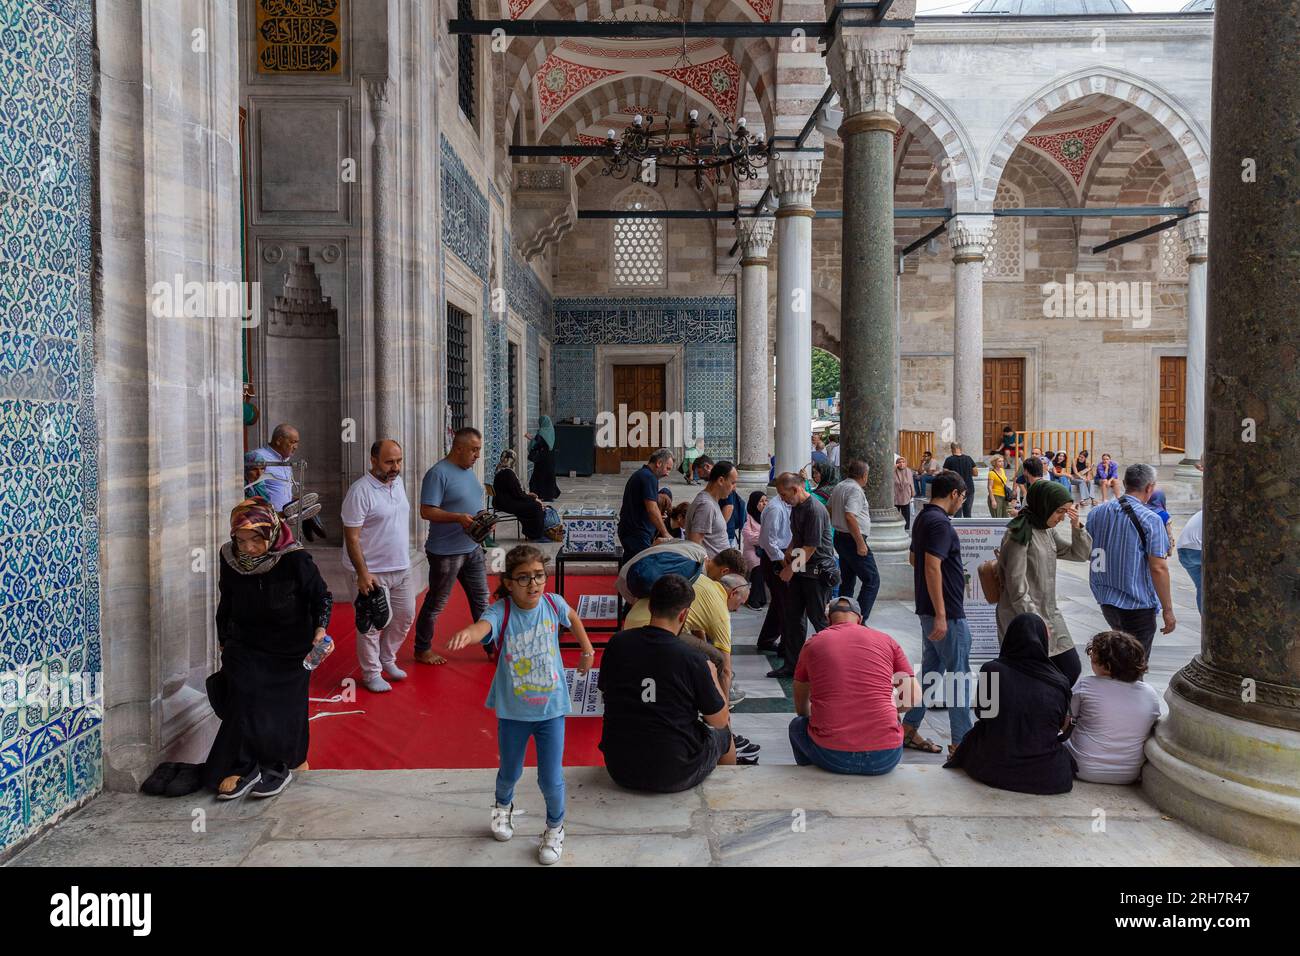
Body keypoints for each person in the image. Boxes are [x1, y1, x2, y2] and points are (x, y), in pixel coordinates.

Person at [444, 545, 594, 865]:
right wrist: (467, 635)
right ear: (509, 583)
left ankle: (555, 828)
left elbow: (573, 616)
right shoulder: (503, 611)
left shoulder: (553, 604)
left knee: (550, 778)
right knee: (510, 771)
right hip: (514, 712)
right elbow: (482, 627)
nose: (533, 584)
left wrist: (587, 649)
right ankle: (503, 806)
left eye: (539, 576)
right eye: (524, 578)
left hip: (551, 710)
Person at [206, 498, 331, 799]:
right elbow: (228, 598)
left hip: (291, 647)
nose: (247, 548)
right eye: (241, 540)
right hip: (247, 642)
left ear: (271, 534)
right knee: (245, 698)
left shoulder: (294, 559)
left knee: (287, 709)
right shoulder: (229, 556)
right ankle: (244, 766)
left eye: (255, 540)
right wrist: (224, 638)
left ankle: (286, 764)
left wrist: (320, 630)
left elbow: (320, 597)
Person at [599, 575, 746, 792]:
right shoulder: (693, 659)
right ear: (684, 614)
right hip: (674, 770)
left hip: (619, 766)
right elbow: (719, 720)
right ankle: (727, 797)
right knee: (724, 736)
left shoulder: (617, 643)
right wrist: (713, 677)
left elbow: (606, 691)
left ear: (649, 605)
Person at [789, 595, 921, 776]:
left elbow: (800, 698)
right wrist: (894, 711)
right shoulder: (887, 641)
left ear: (829, 620)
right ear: (859, 618)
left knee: (797, 725)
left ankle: (810, 778)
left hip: (832, 756)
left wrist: (811, 718)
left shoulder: (813, 643)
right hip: (885, 757)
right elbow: (912, 696)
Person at [944, 614, 1074, 794]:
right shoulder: (1060, 681)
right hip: (1048, 775)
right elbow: (1060, 724)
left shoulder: (992, 669)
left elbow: (983, 713)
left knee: (974, 736)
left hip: (993, 766)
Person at [619, 541, 750, 709]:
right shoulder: (721, 614)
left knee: (700, 651)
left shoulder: (698, 576)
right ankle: (712, 706)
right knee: (717, 660)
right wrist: (725, 719)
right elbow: (725, 669)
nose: (738, 610)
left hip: (635, 615)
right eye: (740, 603)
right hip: (656, 627)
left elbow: (698, 628)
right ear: (733, 593)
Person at [900, 471, 973, 756]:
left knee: (932, 673)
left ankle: (908, 728)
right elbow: (930, 565)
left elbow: (913, 558)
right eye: (962, 497)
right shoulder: (940, 523)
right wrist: (942, 613)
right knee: (959, 677)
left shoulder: (923, 517)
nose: (961, 502)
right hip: (947, 614)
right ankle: (961, 742)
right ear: (954, 493)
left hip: (928, 610)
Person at [995, 479, 1093, 686]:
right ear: (1044, 505)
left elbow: (1079, 554)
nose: (1062, 517)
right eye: (1059, 511)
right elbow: (1016, 585)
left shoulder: (1047, 529)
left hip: (1049, 612)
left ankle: (1052, 712)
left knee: (1070, 667)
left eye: (1066, 512)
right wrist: (1035, 623)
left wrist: (1078, 528)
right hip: (1023, 617)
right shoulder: (1019, 531)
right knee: (1032, 676)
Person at [341, 439, 417, 693]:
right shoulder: (359, 492)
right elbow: (351, 537)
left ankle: (388, 658)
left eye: (399, 461)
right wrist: (362, 573)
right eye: (389, 462)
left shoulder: (399, 483)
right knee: (371, 625)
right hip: (370, 571)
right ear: (373, 461)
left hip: (400, 566)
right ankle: (371, 672)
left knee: (405, 616)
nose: (395, 467)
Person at [413, 427, 491, 665]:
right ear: (458, 448)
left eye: (479, 450)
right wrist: (458, 517)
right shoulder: (437, 473)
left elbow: (471, 502)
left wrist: (483, 519)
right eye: (474, 450)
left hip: (472, 548)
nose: (477, 455)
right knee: (437, 603)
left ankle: (493, 648)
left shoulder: (468, 471)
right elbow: (426, 511)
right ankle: (422, 648)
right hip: (446, 552)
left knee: (482, 602)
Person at [1085, 463, 1175, 660]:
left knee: (1119, 660)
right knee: (1134, 666)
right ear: (1150, 487)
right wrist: (1168, 610)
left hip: (1106, 598)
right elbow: (1158, 567)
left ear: (1124, 483)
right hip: (1137, 604)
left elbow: (1088, 549)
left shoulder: (1096, 513)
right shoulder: (1150, 519)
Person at [1064, 630, 1161, 784]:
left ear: (1107, 666)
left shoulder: (1086, 685)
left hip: (1083, 767)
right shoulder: (1150, 693)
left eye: (1093, 657)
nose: (1090, 661)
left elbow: (1065, 725)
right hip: (1128, 774)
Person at [768, 471, 839, 679]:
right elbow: (797, 537)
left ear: (796, 489)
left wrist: (789, 569)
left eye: (783, 494)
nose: (782, 498)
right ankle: (793, 665)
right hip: (802, 569)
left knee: (819, 619)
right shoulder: (795, 508)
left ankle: (834, 664)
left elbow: (810, 547)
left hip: (817, 572)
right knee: (793, 618)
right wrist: (788, 551)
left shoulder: (814, 509)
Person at [829, 459, 880, 622]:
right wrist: (860, 543)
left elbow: (829, 508)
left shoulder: (840, 486)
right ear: (864, 475)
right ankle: (859, 620)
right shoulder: (855, 490)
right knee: (872, 580)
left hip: (841, 537)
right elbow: (850, 516)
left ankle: (842, 617)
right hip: (852, 539)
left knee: (848, 580)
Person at [617, 448, 674, 559]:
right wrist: (665, 532)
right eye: (667, 469)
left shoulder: (643, 475)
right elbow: (652, 509)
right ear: (658, 463)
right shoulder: (649, 477)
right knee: (639, 565)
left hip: (632, 531)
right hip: (637, 533)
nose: (668, 474)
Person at [756, 483, 792, 655]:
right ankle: (787, 646)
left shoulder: (790, 506)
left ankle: (767, 638)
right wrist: (785, 563)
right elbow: (769, 542)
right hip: (776, 558)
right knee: (786, 602)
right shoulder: (776, 509)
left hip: (787, 554)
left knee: (780, 601)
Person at [490, 449, 549, 542]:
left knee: (533, 504)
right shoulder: (508, 473)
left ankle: (531, 533)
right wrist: (532, 498)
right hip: (506, 503)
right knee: (536, 506)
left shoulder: (499, 469)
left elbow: (514, 492)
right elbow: (518, 494)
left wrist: (528, 496)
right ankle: (535, 535)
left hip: (501, 501)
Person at [686, 460, 738, 558]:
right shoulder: (706, 505)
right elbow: (695, 545)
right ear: (721, 481)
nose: (734, 488)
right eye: (732, 483)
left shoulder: (711, 501)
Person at [252, 423, 299, 511]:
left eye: (297, 442)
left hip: (284, 519)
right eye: (292, 442)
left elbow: (278, 490)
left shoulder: (286, 460)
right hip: (266, 519)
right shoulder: (258, 457)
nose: (296, 447)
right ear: (279, 440)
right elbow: (250, 491)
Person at [741, 491, 768, 609]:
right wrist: (762, 537)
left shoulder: (768, 517)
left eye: (765, 501)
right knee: (758, 567)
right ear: (754, 503)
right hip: (751, 550)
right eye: (761, 501)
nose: (764, 504)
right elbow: (748, 536)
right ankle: (753, 600)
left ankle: (761, 597)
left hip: (764, 551)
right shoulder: (749, 518)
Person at [524, 415, 561, 501]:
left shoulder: (541, 432)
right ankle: (550, 495)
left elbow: (536, 445)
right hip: (550, 459)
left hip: (542, 460)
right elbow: (545, 444)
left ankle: (537, 495)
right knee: (549, 477)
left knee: (537, 478)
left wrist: (530, 439)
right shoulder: (551, 431)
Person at [1175, 508, 1203, 612]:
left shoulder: (1201, 513)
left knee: (1202, 587)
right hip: (1197, 550)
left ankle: (1205, 621)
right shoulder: (1215, 514)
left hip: (1182, 551)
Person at [942, 443, 978, 518]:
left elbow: (945, 475)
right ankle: (968, 529)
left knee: (957, 513)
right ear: (961, 448)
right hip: (969, 488)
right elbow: (975, 473)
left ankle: (958, 529)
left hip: (955, 490)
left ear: (951, 449)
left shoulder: (949, 460)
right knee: (968, 514)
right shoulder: (968, 458)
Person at [894, 455, 916, 530]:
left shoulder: (909, 471)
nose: (901, 464)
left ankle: (906, 529)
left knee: (906, 515)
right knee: (895, 515)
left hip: (906, 496)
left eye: (903, 462)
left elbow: (911, 483)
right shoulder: (894, 471)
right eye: (899, 462)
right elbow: (888, 476)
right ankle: (896, 529)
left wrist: (912, 494)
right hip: (896, 496)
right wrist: (894, 467)